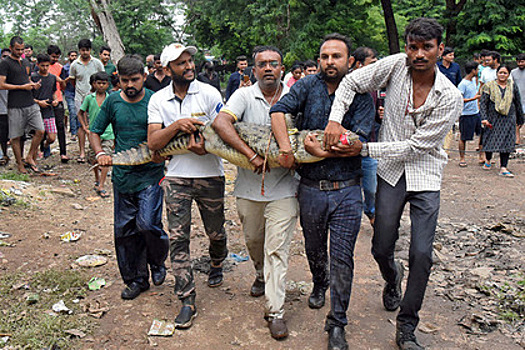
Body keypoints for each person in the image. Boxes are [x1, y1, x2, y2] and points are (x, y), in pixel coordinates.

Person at [324, 18, 463, 350]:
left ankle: (407, 326)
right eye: (413, 47)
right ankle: (392, 278)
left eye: (427, 47)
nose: (419, 54)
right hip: (390, 173)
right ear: (406, 47)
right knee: (381, 246)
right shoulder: (394, 67)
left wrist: (365, 148)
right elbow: (350, 83)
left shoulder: (450, 96)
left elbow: (418, 147)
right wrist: (334, 119)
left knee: (422, 254)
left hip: (426, 175)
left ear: (440, 50)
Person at [271, 33, 374, 350]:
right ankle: (319, 282)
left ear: (349, 61)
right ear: (319, 60)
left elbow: (357, 143)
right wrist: (288, 148)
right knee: (315, 249)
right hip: (311, 189)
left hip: (347, 190)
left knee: (342, 258)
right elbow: (278, 110)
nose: (330, 62)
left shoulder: (362, 96)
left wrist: (319, 151)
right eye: (325, 56)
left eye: (337, 56)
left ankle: (337, 323)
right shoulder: (306, 86)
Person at [213, 45, 298, 340]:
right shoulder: (243, 95)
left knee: (277, 249)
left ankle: (275, 311)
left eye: (274, 63)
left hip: (285, 187)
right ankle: (260, 273)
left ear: (282, 68)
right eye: (262, 64)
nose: (268, 68)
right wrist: (250, 154)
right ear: (254, 70)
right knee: (253, 240)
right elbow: (221, 123)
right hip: (248, 186)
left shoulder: (294, 96)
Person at [147, 43, 227, 330]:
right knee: (178, 238)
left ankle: (217, 263)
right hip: (177, 178)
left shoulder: (209, 93)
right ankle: (187, 298)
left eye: (190, 61)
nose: (189, 66)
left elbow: (225, 134)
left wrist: (207, 147)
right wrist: (176, 126)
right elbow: (154, 143)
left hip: (210, 176)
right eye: (181, 63)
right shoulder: (157, 100)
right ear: (168, 70)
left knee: (216, 232)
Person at [91, 54, 169, 300]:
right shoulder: (113, 102)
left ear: (144, 78)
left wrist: (164, 154)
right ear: (119, 80)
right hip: (123, 177)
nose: (130, 85)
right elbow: (94, 131)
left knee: (147, 224)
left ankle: (157, 261)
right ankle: (136, 280)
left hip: (151, 175)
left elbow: (168, 134)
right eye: (125, 80)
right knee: (124, 232)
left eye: (134, 80)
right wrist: (101, 152)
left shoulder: (156, 101)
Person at [0, 36, 44, 174]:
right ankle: (20, 163)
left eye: (22, 49)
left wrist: (32, 85)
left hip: (30, 102)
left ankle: (30, 156)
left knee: (40, 130)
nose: (20, 52)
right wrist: (21, 87)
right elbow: (1, 85)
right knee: (16, 136)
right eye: (17, 49)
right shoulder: (5, 63)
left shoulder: (26, 61)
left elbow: (27, 79)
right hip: (14, 104)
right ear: (11, 47)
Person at [352, 46, 380, 226]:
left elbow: (375, 116)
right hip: (348, 147)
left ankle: (371, 212)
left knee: (371, 188)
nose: (376, 68)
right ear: (359, 65)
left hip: (369, 146)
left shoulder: (376, 86)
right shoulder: (347, 86)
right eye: (372, 63)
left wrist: (380, 114)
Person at [480, 65, 523, 177]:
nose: (502, 75)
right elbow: (483, 103)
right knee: (490, 139)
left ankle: (503, 167)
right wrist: (484, 118)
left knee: (507, 142)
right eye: (500, 73)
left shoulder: (512, 86)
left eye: (505, 73)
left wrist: (520, 118)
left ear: (508, 75)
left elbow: (517, 102)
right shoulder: (488, 86)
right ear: (497, 73)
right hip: (493, 118)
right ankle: (488, 160)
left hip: (509, 117)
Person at [67, 39, 104, 163]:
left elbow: (102, 78)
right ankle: (82, 152)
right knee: (81, 125)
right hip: (80, 96)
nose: (85, 52)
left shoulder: (97, 63)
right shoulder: (74, 65)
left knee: (97, 123)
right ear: (79, 50)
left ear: (90, 50)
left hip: (95, 96)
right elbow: (73, 81)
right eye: (83, 50)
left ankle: (97, 151)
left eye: (87, 50)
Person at [79, 72, 114, 198]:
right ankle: (97, 179)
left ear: (107, 84)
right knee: (94, 158)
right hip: (95, 134)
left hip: (109, 133)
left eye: (104, 83)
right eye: (98, 83)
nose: (101, 86)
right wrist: (85, 127)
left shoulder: (110, 98)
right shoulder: (89, 98)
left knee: (106, 158)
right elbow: (81, 112)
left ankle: (102, 185)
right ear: (94, 84)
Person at [31, 54, 58, 159]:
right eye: (43, 66)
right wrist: (38, 102)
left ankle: (45, 146)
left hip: (49, 110)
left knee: (52, 137)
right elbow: (29, 96)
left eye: (47, 66)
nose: (45, 68)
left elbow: (53, 91)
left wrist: (55, 100)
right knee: (37, 134)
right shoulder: (33, 77)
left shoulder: (52, 78)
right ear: (38, 65)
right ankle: (34, 156)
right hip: (36, 110)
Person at [47, 45, 69, 163]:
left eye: (57, 57)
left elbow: (63, 86)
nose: (55, 59)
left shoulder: (61, 68)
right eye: (53, 57)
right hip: (45, 100)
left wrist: (62, 82)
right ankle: (44, 149)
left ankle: (63, 152)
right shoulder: (42, 66)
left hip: (59, 99)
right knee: (44, 127)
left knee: (60, 126)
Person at [458, 61, 482, 167]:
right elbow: (459, 99)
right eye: (477, 69)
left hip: (476, 112)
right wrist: (473, 99)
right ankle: (462, 158)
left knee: (482, 133)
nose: (478, 71)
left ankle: (482, 155)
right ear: (473, 70)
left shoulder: (473, 81)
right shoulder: (463, 84)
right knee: (464, 137)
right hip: (466, 114)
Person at [62, 50, 78, 139]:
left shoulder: (79, 66)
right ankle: (73, 132)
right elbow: (63, 81)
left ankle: (79, 130)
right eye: (72, 55)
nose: (74, 57)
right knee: (72, 111)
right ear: (69, 56)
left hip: (78, 92)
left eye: (75, 55)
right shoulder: (65, 68)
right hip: (69, 92)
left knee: (79, 112)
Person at [511, 53, 525, 146]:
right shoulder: (513, 72)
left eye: (522, 62)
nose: (520, 64)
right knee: (517, 121)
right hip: (517, 99)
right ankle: (517, 139)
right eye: (518, 62)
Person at [0, 49, 10, 165]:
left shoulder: (12, 73)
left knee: (4, 135)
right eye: (4, 56)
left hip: (9, 108)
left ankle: (4, 155)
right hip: (1, 108)